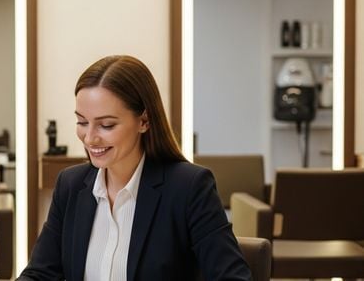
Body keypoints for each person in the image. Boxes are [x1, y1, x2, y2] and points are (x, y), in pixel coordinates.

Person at [18, 55, 250, 280]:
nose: (89, 138)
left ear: (144, 121)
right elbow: (40, 274)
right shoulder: (70, 185)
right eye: (82, 122)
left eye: (106, 125)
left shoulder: (189, 187)